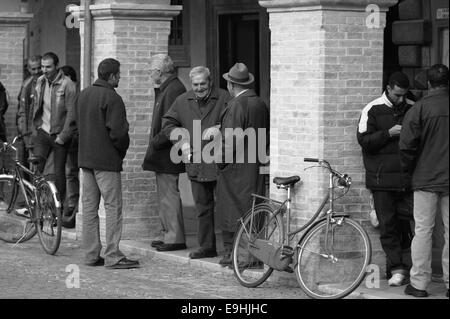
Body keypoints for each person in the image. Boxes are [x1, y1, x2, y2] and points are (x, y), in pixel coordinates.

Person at [162, 66, 230, 259]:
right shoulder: (183, 100)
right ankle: (207, 247)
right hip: (196, 162)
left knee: (226, 208)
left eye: (203, 84)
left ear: (210, 82)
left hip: (220, 162)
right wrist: (182, 143)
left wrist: (220, 128)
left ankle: (230, 250)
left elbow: (238, 122)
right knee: (203, 208)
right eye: (195, 84)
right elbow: (168, 124)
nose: (199, 88)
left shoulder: (225, 98)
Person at [78, 58, 139, 269]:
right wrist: (121, 151)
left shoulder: (84, 94)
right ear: (111, 76)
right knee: (113, 207)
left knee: (89, 208)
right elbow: (119, 133)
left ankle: (91, 254)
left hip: (86, 161)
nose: (120, 77)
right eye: (118, 74)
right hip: (106, 161)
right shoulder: (113, 98)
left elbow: (76, 126)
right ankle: (112, 255)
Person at [357, 71, 415, 286]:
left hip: (407, 178)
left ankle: (409, 266)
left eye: (403, 95)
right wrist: (388, 133)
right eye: (397, 95)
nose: (400, 99)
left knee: (411, 225)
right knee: (387, 226)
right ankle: (397, 269)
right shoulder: (372, 109)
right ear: (388, 89)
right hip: (381, 179)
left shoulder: (412, 106)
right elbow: (363, 140)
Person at [399, 64, 449, 298]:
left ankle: (419, 284)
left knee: (422, 231)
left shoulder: (419, 109)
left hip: (425, 179)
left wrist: (409, 174)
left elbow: (406, 146)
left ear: (428, 84)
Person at [215, 63, 269, 267]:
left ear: (230, 84)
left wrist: (220, 162)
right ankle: (251, 256)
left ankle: (242, 257)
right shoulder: (259, 103)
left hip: (237, 167)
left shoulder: (238, 105)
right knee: (251, 210)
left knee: (236, 212)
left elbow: (230, 140)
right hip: (254, 162)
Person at [142, 54, 187, 252]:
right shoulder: (167, 88)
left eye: (151, 70)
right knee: (165, 195)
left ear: (159, 72)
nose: (149, 74)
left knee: (169, 194)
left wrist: (156, 141)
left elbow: (170, 124)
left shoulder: (173, 89)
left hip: (167, 151)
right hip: (164, 151)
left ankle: (174, 237)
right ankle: (168, 233)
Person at [31, 52, 76, 211]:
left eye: (48, 66)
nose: (44, 70)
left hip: (59, 135)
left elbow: (72, 112)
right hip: (43, 131)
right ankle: (37, 206)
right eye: (43, 66)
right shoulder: (40, 81)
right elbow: (35, 105)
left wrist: (64, 136)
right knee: (36, 168)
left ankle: (58, 209)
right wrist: (35, 127)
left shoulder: (67, 84)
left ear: (57, 66)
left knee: (59, 173)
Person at [60, 65, 79, 229]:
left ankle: (72, 207)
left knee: (71, 172)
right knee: (67, 173)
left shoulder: (75, 94)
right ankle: (68, 205)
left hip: (73, 140)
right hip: (63, 139)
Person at [17, 55, 42, 162]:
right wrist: (24, 132)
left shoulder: (47, 83)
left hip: (43, 133)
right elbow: (23, 112)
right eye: (33, 69)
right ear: (28, 69)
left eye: (39, 68)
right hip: (29, 134)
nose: (37, 71)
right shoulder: (26, 85)